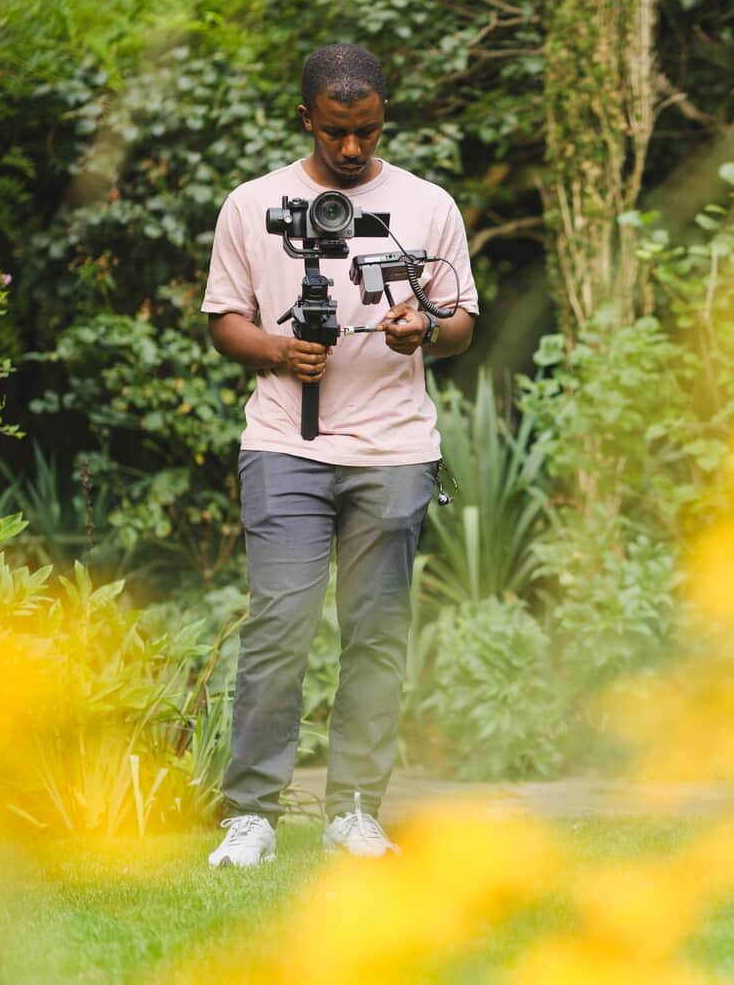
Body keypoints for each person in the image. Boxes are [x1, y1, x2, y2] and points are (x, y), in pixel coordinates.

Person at [200, 43, 477, 867]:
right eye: (334, 133)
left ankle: (353, 809)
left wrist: (423, 326)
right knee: (280, 623)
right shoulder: (253, 205)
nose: (351, 149)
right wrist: (282, 352)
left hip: (394, 447)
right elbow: (224, 321)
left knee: (377, 631)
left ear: (384, 119)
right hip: (285, 441)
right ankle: (250, 813)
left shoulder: (429, 205)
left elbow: (461, 321)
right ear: (306, 120)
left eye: (366, 132)